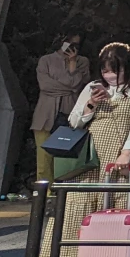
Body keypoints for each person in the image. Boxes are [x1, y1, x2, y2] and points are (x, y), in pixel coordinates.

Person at [50, 43, 130, 257]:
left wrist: (128, 152)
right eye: (105, 70)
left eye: (115, 70)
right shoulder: (93, 87)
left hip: (119, 153)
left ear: (127, 68)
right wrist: (91, 103)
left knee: (116, 204)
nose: (109, 75)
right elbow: (74, 121)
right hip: (90, 155)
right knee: (80, 203)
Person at [31, 29, 89, 185]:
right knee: (44, 159)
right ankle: (45, 193)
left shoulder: (82, 62)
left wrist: (72, 64)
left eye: (76, 44)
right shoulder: (46, 60)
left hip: (68, 112)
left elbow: (78, 86)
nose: (72, 47)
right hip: (46, 114)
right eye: (69, 43)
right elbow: (45, 86)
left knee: (66, 159)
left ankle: (63, 191)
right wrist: (70, 87)